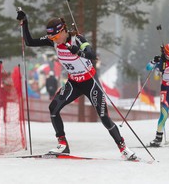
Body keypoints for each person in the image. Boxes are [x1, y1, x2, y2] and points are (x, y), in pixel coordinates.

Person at [16, 10, 136, 160]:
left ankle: (123, 148)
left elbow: (92, 55)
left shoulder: (77, 39)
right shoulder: (53, 41)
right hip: (74, 82)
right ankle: (63, 144)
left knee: (104, 117)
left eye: (55, 36)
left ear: (63, 30)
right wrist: (25, 22)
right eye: (51, 37)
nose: (53, 40)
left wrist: (78, 52)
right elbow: (30, 42)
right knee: (53, 108)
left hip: (90, 82)